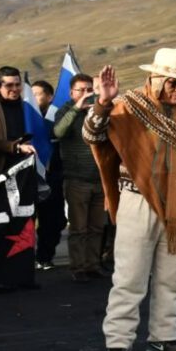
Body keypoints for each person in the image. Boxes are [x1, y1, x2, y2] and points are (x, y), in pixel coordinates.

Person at [84, 48, 176, 351]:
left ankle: (163, 338)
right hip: (136, 199)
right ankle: (118, 341)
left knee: (173, 276)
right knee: (129, 275)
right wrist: (103, 102)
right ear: (155, 78)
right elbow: (92, 135)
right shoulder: (127, 105)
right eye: (172, 82)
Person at [53, 73, 106, 282]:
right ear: (71, 92)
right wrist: (77, 108)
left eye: (89, 90)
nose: (85, 94)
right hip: (77, 179)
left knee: (97, 227)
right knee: (78, 228)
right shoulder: (65, 110)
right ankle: (78, 267)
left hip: (99, 179)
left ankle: (93, 265)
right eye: (81, 90)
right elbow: (58, 132)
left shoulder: (98, 112)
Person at [32, 79, 67, 271]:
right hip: (30, 177)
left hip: (54, 176)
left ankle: (45, 256)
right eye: (32, 94)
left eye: (38, 94)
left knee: (55, 220)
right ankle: (30, 258)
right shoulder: (27, 117)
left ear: (50, 96)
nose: (34, 98)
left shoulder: (57, 117)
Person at [0, 66, 34, 173]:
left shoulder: (28, 108)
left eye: (17, 84)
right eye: (9, 85)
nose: (14, 89)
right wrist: (16, 147)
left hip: (28, 165)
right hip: (1, 168)